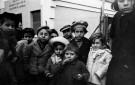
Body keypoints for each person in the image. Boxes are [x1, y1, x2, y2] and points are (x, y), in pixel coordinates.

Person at [106, 0, 135, 85]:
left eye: (130, 0)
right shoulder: (117, 16)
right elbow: (112, 38)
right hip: (117, 62)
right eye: (121, 1)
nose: (125, 3)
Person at [0, 12, 19, 85]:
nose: (10, 28)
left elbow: (14, 49)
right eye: (7, 25)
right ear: (0, 25)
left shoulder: (12, 36)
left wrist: (16, 56)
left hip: (9, 64)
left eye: (13, 26)